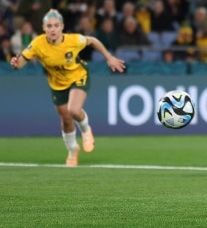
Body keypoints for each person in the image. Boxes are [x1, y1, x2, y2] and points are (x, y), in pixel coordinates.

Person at [10, 9, 126, 166]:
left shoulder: (73, 40)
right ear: (44, 28)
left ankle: (86, 130)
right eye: (49, 26)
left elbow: (93, 41)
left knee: (73, 110)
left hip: (78, 76)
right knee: (65, 118)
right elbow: (21, 62)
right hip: (57, 84)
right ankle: (72, 150)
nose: (53, 29)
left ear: (62, 27)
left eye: (56, 25)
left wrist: (109, 57)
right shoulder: (37, 44)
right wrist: (16, 64)